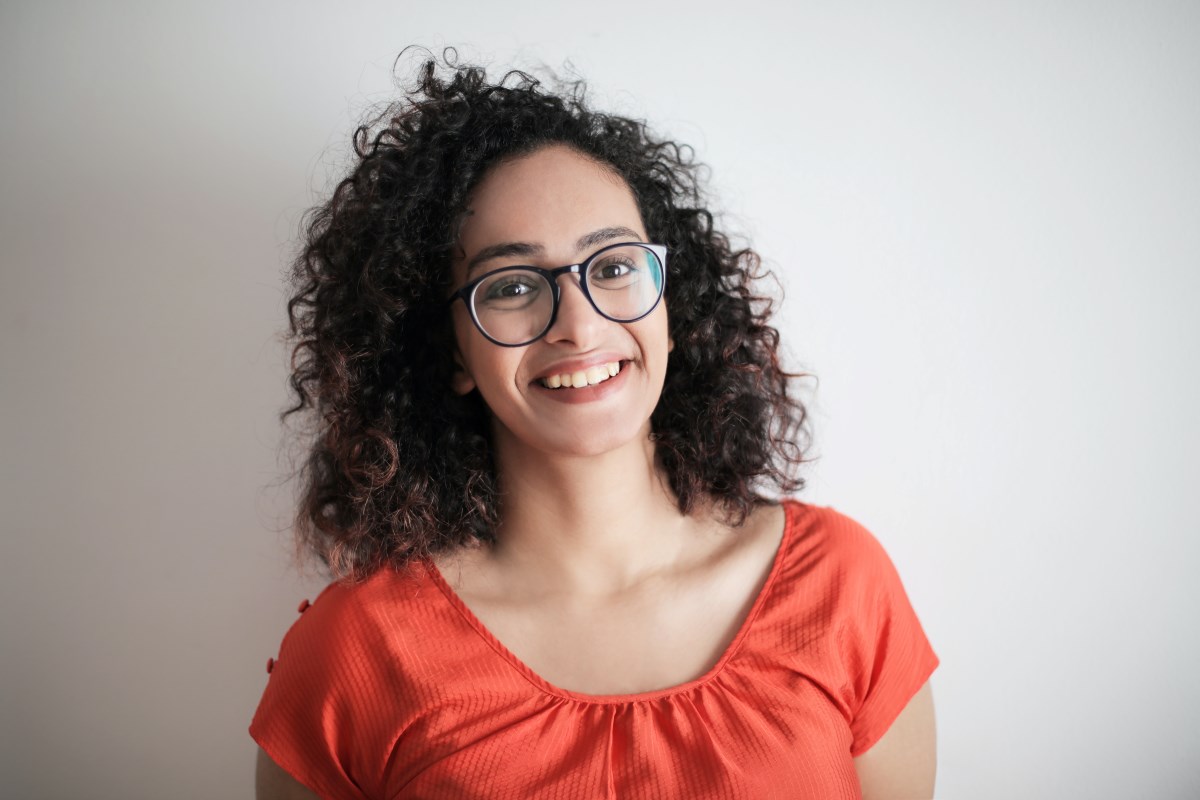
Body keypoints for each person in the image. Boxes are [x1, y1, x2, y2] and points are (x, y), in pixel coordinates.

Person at [251, 53, 938, 800]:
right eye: (512, 285)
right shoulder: (354, 655)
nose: (579, 327)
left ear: (672, 313)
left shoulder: (841, 586)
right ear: (451, 349)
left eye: (612, 266)